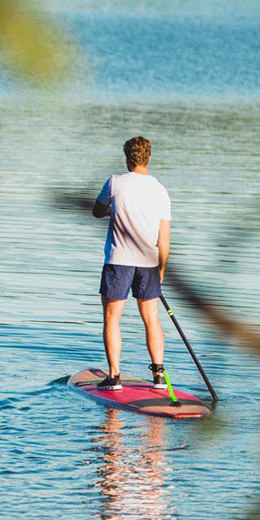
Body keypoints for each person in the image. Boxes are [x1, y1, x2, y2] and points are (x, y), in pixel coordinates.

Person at [91, 136, 171, 391]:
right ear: (149, 158)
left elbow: (96, 211)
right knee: (152, 320)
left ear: (127, 158)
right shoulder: (160, 190)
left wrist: (110, 210)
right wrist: (161, 270)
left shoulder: (115, 183)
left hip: (119, 261)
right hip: (149, 262)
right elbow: (164, 237)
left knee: (112, 318)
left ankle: (114, 376)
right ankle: (158, 375)